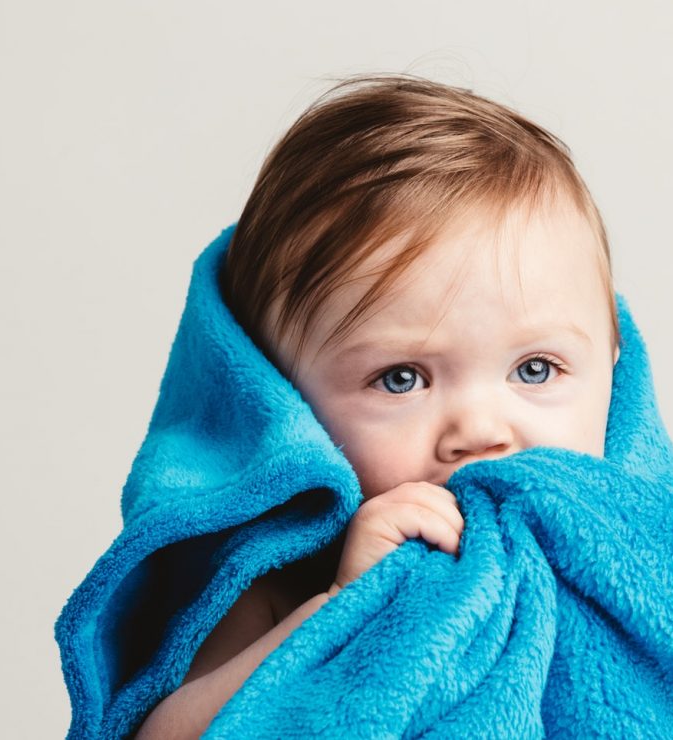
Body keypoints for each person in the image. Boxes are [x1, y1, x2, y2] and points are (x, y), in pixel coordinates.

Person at [136, 73, 621, 739]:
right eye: (401, 379)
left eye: (534, 369)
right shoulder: (279, 583)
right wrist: (344, 607)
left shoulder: (627, 563)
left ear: (611, 365)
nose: (479, 432)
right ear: (286, 404)